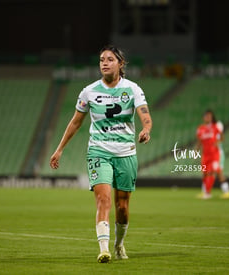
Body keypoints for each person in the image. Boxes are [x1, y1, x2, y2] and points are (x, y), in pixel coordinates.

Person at [50, 45, 152, 263]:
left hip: (125, 153)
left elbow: (144, 114)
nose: (104, 63)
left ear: (120, 63)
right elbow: (76, 122)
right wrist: (59, 149)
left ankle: (118, 244)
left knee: (122, 206)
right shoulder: (89, 91)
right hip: (99, 151)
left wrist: (146, 129)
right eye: (101, 60)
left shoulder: (132, 89)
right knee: (103, 200)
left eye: (110, 59)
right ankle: (103, 249)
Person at [196, 110, 229, 199]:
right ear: (203, 118)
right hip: (205, 155)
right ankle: (205, 191)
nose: (208, 118)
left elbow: (222, 137)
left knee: (217, 171)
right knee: (204, 173)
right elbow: (199, 141)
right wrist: (196, 150)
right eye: (206, 116)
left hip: (215, 154)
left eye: (210, 116)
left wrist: (218, 142)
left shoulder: (215, 127)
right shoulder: (200, 129)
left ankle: (225, 191)